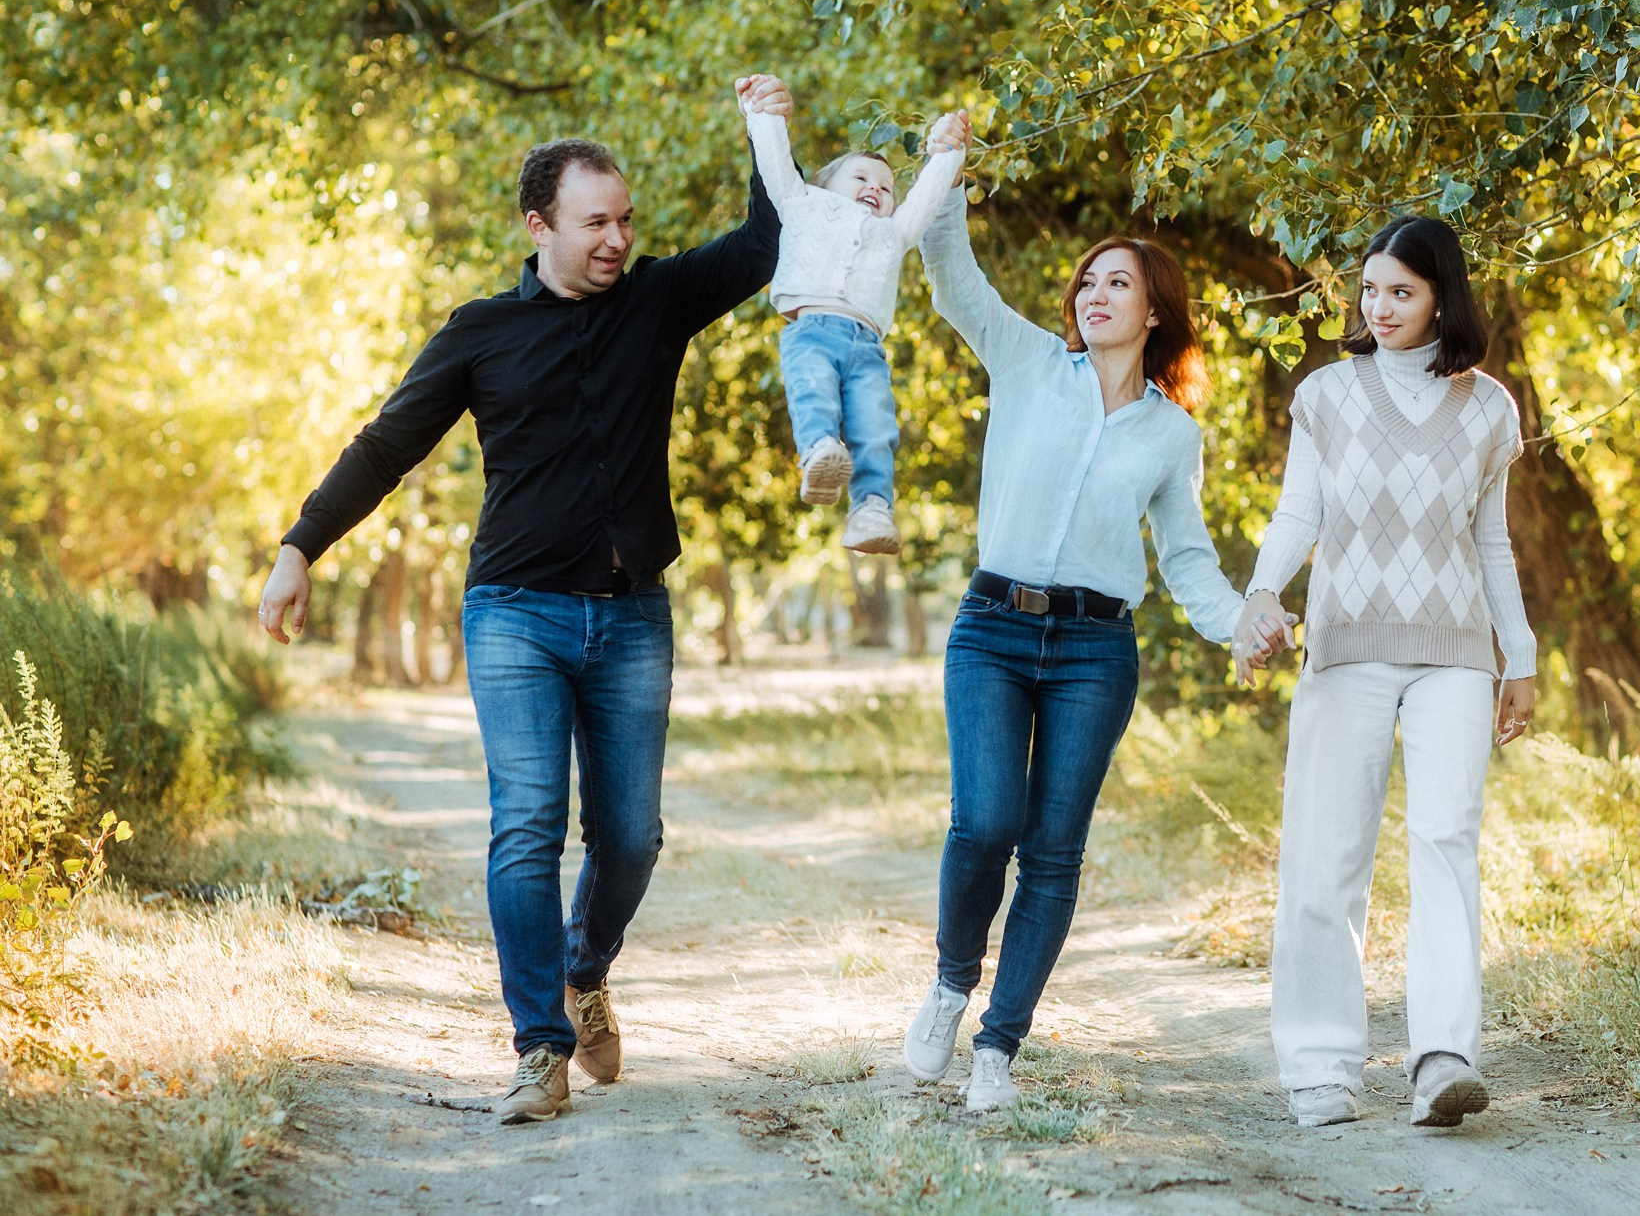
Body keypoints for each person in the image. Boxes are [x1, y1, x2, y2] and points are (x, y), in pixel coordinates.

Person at [254, 76, 792, 1125]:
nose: (617, 239)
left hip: (632, 614)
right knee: (526, 829)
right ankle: (536, 1052)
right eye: (597, 222)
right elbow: (385, 447)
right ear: (538, 224)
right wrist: (299, 546)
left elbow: (764, 244)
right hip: (514, 614)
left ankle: (583, 971)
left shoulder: (658, 301)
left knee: (630, 835)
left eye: (626, 220)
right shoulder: (480, 333)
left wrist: (764, 127)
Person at [900, 115, 1244, 1112]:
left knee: (1053, 849)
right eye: (1086, 283)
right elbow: (952, 270)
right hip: (994, 630)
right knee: (986, 823)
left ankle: (999, 1047)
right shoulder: (1021, 363)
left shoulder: (1171, 436)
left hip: (1097, 649)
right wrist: (947, 163)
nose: (1095, 295)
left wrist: (1244, 624)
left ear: (1153, 313)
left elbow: (1187, 565)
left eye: (1117, 284)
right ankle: (949, 986)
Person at [1235, 214, 1539, 1131]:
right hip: (1344, 647)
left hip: (1454, 653)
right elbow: (1298, 514)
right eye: (1369, 290)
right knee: (1326, 856)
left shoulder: (1490, 408)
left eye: (1400, 290)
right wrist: (1258, 591)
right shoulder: (1327, 395)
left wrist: (1516, 657)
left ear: (1442, 294)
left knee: (1448, 843)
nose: (1380, 306)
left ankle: (1442, 1057)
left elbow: (1492, 540)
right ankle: (1321, 1065)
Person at [742, 90, 968, 554]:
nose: (877, 188)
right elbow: (775, 163)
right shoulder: (803, 203)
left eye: (887, 187)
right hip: (812, 331)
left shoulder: (895, 231)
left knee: (875, 426)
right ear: (826, 185)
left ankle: (872, 509)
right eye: (862, 177)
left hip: (867, 346)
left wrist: (949, 151)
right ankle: (820, 450)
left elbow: (926, 196)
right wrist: (761, 113)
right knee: (813, 390)